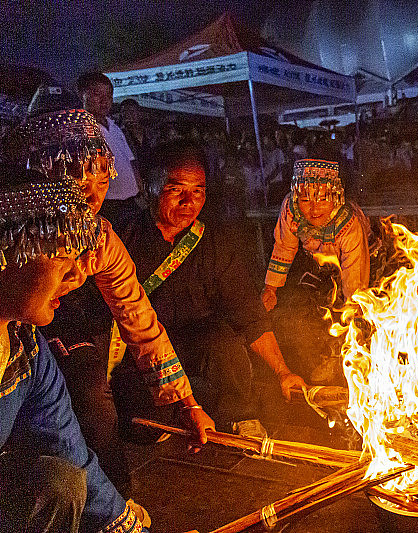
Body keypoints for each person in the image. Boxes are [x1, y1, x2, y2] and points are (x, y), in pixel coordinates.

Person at [3, 89, 215, 490]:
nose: (92, 196)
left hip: (63, 328)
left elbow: (136, 312)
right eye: (74, 178)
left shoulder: (99, 238)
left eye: (101, 178)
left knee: (88, 391)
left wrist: (188, 402)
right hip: (25, 330)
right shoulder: (11, 230)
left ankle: (115, 504)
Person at [114, 139, 306, 431]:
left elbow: (248, 313)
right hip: (140, 350)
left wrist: (283, 372)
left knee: (225, 343)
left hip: (196, 344)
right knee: (146, 424)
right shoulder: (121, 239)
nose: (189, 203)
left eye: (198, 192)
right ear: (150, 187)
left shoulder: (215, 242)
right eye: (176, 190)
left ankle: (241, 418)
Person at [0, 164, 146, 533]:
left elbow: (68, 450)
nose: (78, 276)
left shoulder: (27, 348)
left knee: (58, 481)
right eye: (63, 256)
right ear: (8, 252)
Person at [262, 157, 370, 383]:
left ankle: (347, 368)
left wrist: (354, 310)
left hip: (356, 267)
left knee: (347, 315)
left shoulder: (348, 223)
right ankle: (312, 368)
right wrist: (270, 288)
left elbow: (354, 272)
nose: (313, 208)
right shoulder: (291, 209)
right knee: (302, 312)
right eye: (304, 199)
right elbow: (284, 246)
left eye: (322, 199)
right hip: (314, 265)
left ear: (336, 196)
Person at [77, 72, 143, 230]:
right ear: (81, 96)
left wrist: (141, 192)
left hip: (133, 203)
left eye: (108, 95)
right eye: (96, 94)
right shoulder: (80, 129)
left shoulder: (114, 127)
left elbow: (131, 161)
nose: (104, 101)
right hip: (106, 207)